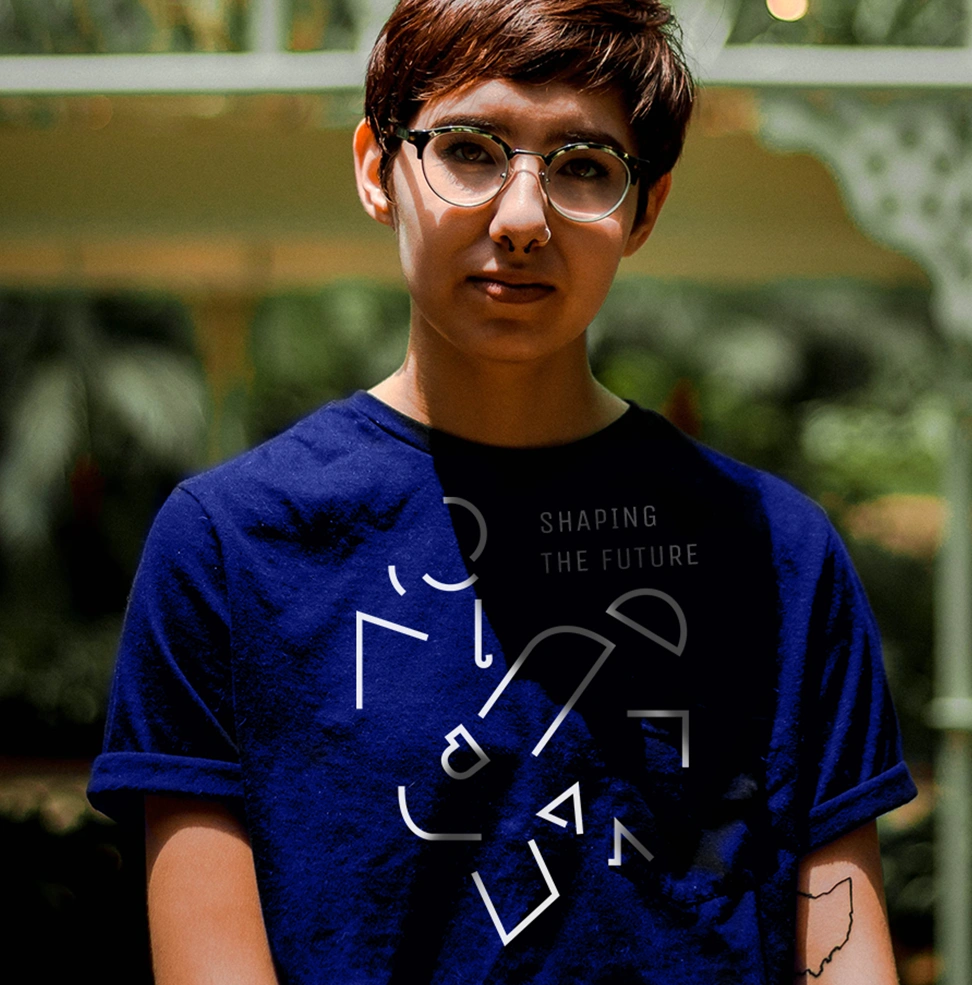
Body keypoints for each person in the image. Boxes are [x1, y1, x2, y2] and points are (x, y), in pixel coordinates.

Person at [88, 0, 917, 982]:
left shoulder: (773, 553)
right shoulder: (231, 546)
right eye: (470, 151)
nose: (522, 218)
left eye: (584, 167)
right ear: (375, 168)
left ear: (644, 209)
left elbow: (840, 947)